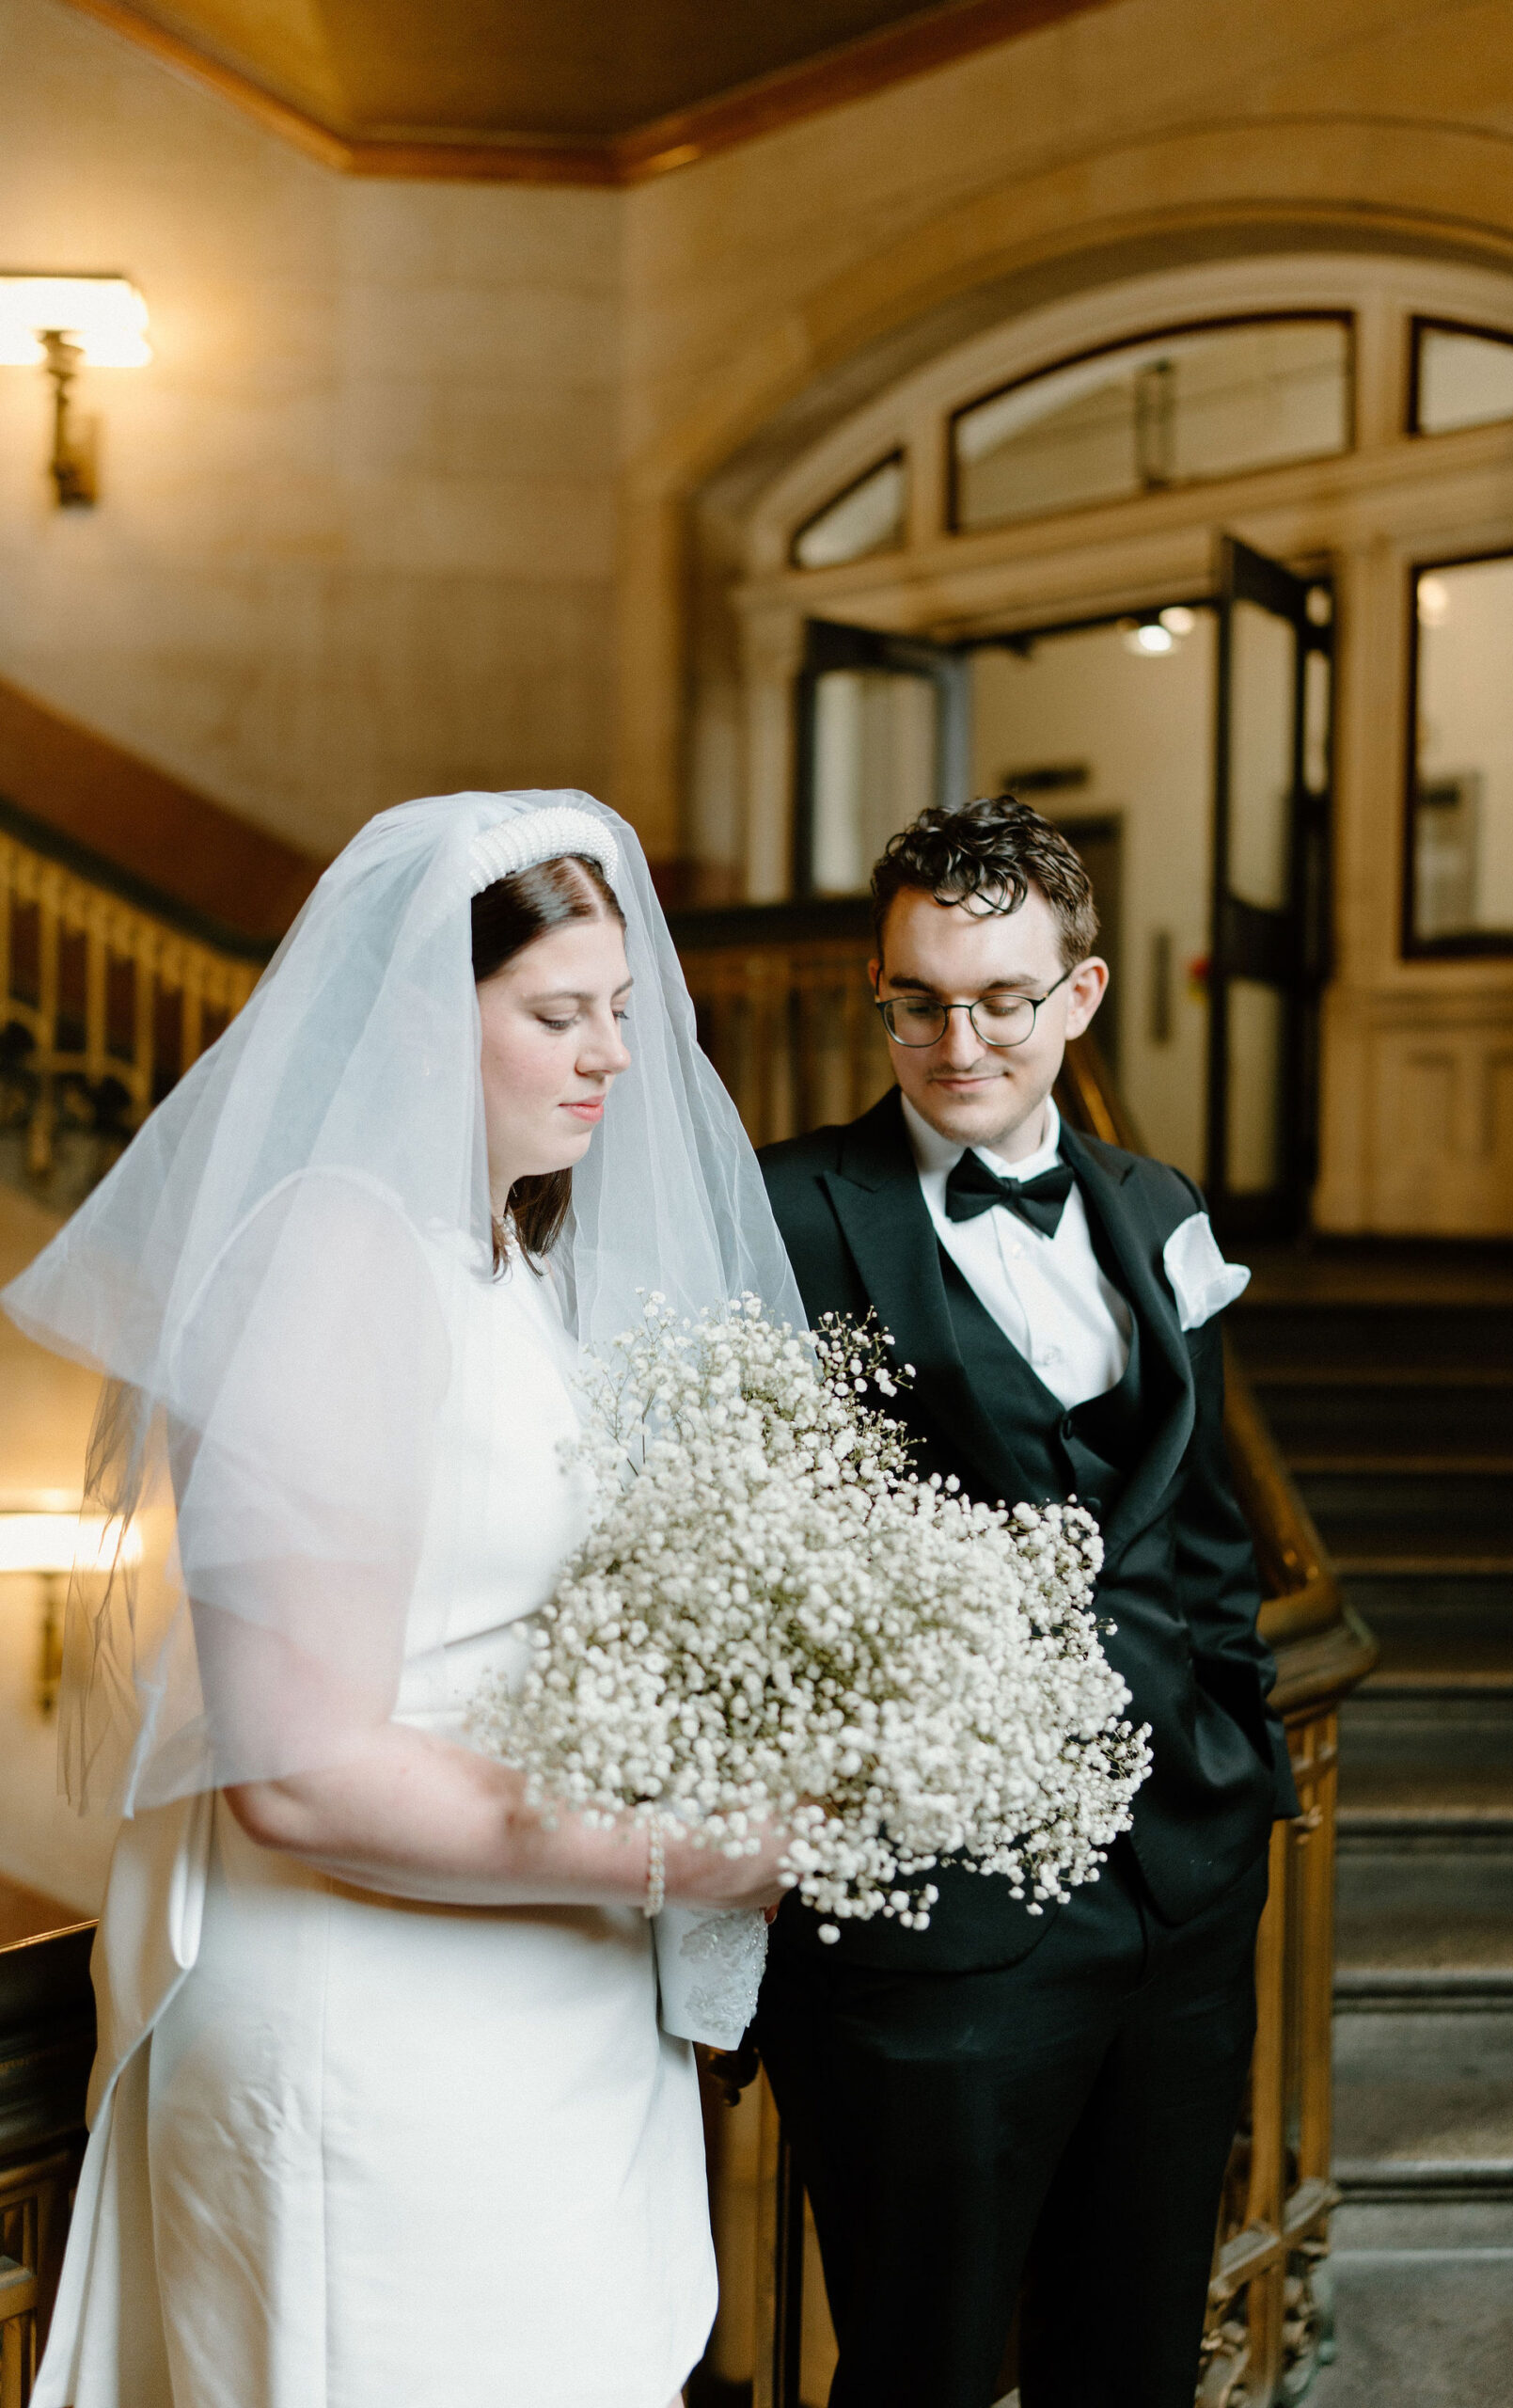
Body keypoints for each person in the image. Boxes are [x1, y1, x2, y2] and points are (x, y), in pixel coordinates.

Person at [6, 790, 802, 2408]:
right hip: (372, 2040)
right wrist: (678, 1851)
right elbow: (298, 1771)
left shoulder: (500, 1264)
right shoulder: (338, 1261)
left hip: (544, 2019)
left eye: (622, 1015)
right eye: (557, 1014)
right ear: (430, 1020)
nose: (612, 1059)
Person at [753, 795, 1299, 2408]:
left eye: (1000, 998)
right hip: (941, 1929)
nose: (956, 1040)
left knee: (1130, 2355)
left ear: (1083, 993)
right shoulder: (785, 1214)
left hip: (1182, 1889)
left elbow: (1200, 1530)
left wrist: (1238, 1773)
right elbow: (746, 1569)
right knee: (919, 2362)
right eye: (916, 999)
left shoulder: (1157, 1202)